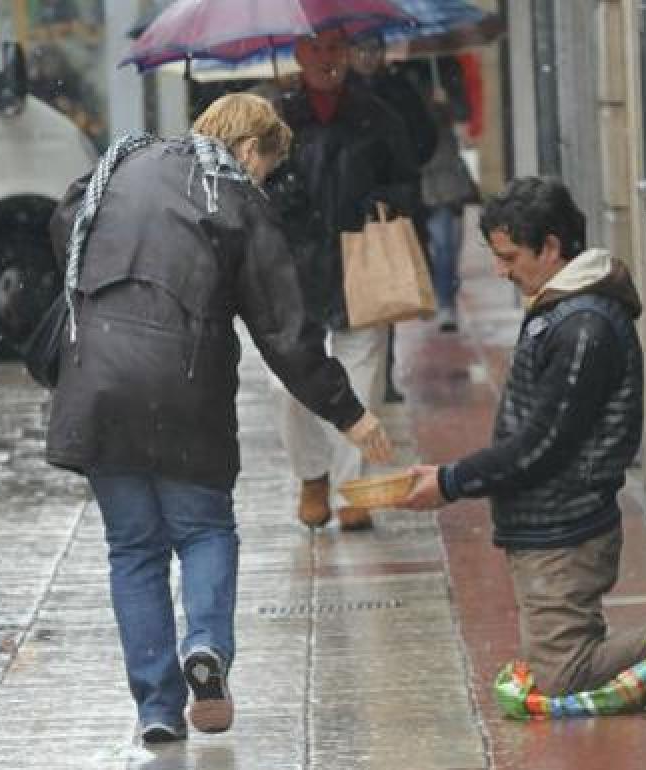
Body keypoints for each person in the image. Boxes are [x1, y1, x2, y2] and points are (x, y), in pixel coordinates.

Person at [44, 93, 394, 743]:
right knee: (203, 531)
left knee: (134, 550)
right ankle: (204, 646)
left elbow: (65, 226)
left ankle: (155, 705)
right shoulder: (234, 199)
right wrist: (350, 415)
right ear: (249, 148)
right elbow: (285, 332)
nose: (264, 179)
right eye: (268, 164)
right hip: (184, 387)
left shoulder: (120, 163)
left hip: (95, 384)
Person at [397, 177, 646, 705]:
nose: (501, 271)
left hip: (563, 527)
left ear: (550, 247)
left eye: (509, 257)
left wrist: (450, 480)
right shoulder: (563, 311)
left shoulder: (584, 325)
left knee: (564, 677)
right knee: (561, 666)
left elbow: (544, 442)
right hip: (547, 520)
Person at [261, 28, 421, 531]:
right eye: (317, 49)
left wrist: (379, 200)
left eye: (336, 49)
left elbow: (409, 184)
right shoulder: (274, 119)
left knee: (362, 381)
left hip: (361, 264)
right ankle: (312, 475)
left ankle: (355, 487)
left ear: (350, 54)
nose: (327, 59)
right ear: (299, 53)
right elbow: (245, 181)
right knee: (285, 386)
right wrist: (277, 190)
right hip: (291, 270)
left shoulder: (377, 115)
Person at [347, 31, 438, 403]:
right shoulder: (339, 96)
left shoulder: (398, 91)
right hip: (346, 211)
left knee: (383, 299)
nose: (368, 57)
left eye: (374, 49)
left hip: (387, 210)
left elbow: (423, 140)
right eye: (361, 49)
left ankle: (380, 375)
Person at [419, 89, 479, 332]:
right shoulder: (406, 86)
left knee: (449, 250)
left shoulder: (444, 73)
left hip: (450, 190)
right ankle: (443, 302)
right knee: (440, 249)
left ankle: (445, 300)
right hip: (428, 191)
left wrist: (446, 102)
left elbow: (464, 113)